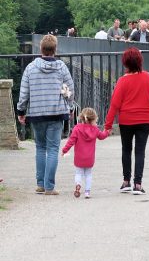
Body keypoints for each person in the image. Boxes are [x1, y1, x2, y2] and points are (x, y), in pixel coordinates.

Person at [17, 35, 75, 195]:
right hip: (56, 113)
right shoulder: (61, 67)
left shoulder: (31, 68)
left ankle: (40, 184)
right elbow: (70, 90)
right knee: (53, 149)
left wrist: (21, 111)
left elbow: (24, 93)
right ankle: (49, 186)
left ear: (41, 49)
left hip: (37, 113)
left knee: (40, 148)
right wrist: (69, 108)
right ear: (55, 50)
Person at [105, 48, 149, 195]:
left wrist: (108, 126)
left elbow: (114, 105)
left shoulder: (122, 81)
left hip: (126, 120)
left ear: (125, 63)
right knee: (140, 151)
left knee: (126, 149)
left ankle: (126, 182)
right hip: (145, 119)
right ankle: (138, 184)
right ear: (140, 61)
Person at [62, 108, 109, 199]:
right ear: (94, 119)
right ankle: (87, 192)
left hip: (79, 157)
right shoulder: (95, 129)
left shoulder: (77, 128)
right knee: (88, 174)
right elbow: (102, 136)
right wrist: (107, 131)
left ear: (82, 118)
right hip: (90, 158)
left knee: (78, 173)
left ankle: (78, 185)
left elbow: (71, 141)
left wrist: (65, 150)